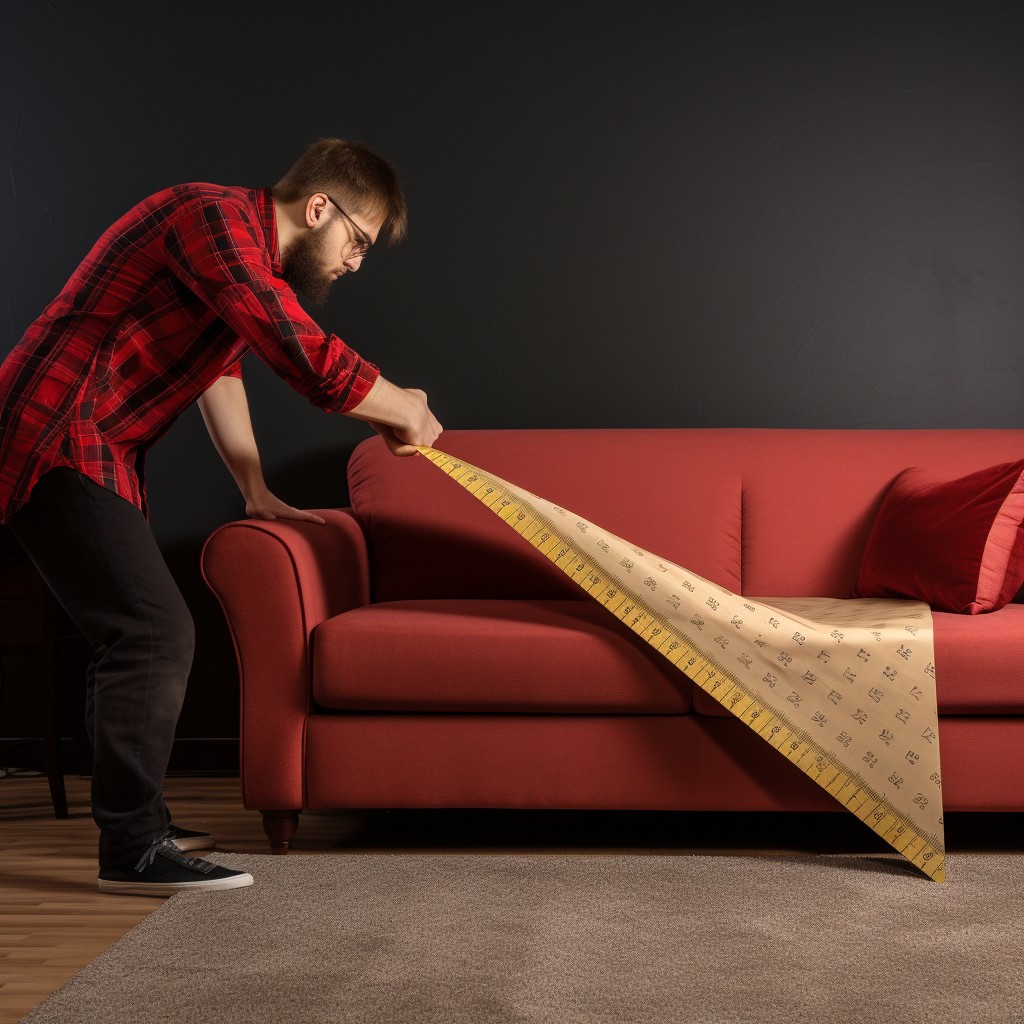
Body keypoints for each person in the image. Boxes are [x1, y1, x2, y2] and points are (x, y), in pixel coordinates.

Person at [0, 136, 442, 896]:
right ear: (317, 208)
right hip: (56, 429)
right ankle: (133, 849)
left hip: (95, 444)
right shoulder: (211, 218)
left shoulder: (245, 263)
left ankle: (140, 826)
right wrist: (399, 404)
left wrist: (254, 487)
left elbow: (222, 369)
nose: (355, 263)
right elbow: (295, 351)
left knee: (132, 633)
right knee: (150, 632)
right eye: (358, 241)